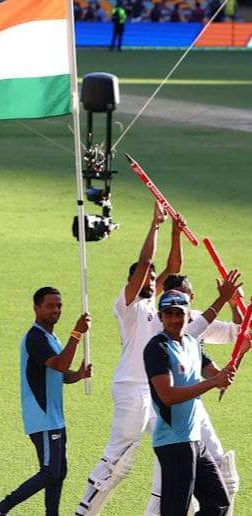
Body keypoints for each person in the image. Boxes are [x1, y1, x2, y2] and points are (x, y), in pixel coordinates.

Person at [76, 206, 240, 515]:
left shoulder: (168, 317)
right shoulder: (129, 308)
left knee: (183, 475)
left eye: (155, 280)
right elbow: (147, 264)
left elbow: (173, 273)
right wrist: (155, 225)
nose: (152, 279)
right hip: (132, 390)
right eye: (146, 278)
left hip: (158, 397)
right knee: (118, 461)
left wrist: (176, 234)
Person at [0, 287, 91, 516]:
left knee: (59, 472)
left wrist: (79, 374)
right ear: (36, 308)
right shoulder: (35, 337)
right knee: (51, 471)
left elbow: (60, 374)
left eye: (59, 305)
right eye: (50, 305)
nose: (56, 310)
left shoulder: (51, 338)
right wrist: (77, 335)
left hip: (54, 417)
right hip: (42, 417)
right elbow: (59, 364)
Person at [145, 274, 244, 515]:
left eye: (180, 313)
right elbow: (167, 395)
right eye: (169, 314)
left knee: (218, 504)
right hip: (174, 443)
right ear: (160, 317)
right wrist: (212, 382)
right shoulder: (157, 348)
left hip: (194, 441)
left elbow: (223, 379)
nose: (175, 319)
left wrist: (224, 299)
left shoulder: (190, 342)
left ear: (189, 315)